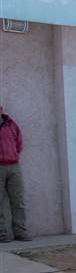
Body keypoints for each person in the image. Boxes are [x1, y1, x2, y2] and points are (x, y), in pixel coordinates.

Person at [0, 103, 30, 242]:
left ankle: (21, 232)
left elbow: (19, 143)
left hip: (14, 166)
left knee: (18, 201)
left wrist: (13, 155)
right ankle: (2, 234)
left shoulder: (11, 125)